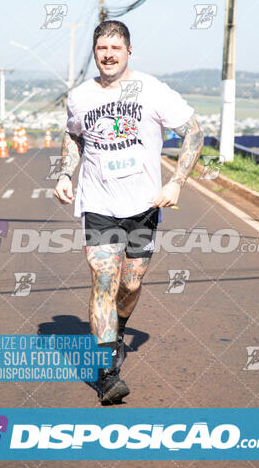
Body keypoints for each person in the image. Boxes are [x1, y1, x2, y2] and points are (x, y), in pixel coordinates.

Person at [54, 20, 204, 405]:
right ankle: (107, 374)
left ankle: (117, 330)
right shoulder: (80, 97)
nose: (108, 55)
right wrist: (65, 173)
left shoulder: (151, 90)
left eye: (115, 49)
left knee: (131, 283)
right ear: (95, 52)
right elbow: (74, 135)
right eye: (102, 49)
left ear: (128, 52)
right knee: (104, 279)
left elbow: (195, 131)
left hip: (143, 205)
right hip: (98, 204)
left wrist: (176, 182)